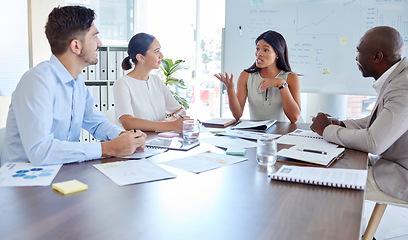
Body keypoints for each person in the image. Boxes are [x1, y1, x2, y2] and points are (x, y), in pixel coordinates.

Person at [1, 6, 146, 166]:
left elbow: (96, 123)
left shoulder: (76, 82)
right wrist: (107, 148)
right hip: (24, 182)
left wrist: (124, 136)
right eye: (95, 37)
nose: (100, 43)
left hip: (60, 172)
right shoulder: (37, 82)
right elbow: (41, 152)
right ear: (76, 46)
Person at [311, 26, 408, 202]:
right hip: (392, 162)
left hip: (401, 175)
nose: (356, 58)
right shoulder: (399, 76)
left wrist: (327, 130)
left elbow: (374, 142)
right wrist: (340, 125)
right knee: (337, 162)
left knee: (326, 184)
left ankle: (339, 229)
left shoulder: (403, 87)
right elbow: (379, 121)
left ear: (377, 56)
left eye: (358, 52)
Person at [214, 30, 301, 123]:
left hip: (284, 133)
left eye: (265, 50)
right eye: (257, 49)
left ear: (277, 54)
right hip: (257, 133)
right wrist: (230, 89)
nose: (259, 53)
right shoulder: (246, 75)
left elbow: (294, 118)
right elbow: (237, 115)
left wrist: (281, 84)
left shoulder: (291, 78)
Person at [113, 33, 187, 132]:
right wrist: (170, 125)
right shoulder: (122, 83)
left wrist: (170, 119)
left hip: (160, 140)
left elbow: (180, 110)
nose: (161, 55)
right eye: (156, 51)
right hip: (140, 143)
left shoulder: (156, 80)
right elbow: (128, 122)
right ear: (140, 58)